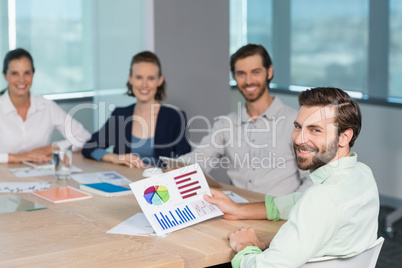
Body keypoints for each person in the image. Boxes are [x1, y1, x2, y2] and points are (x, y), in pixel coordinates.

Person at [204, 87, 380, 267]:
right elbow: (300, 202)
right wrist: (238, 209)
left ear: (344, 137)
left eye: (315, 130)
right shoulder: (362, 174)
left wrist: (245, 245)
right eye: (298, 127)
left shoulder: (321, 199)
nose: (298, 139)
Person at [180, 44, 308, 196]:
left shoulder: (295, 123)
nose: (248, 81)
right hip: (237, 212)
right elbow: (198, 159)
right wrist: (165, 167)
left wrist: (287, 210)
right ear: (234, 76)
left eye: (256, 72)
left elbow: (312, 179)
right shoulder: (226, 124)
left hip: (281, 215)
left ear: (269, 72)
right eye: (241, 74)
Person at [82, 51, 191, 167]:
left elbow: (185, 160)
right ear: (130, 79)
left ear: (159, 80)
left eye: (150, 78)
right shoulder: (120, 115)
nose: (144, 85)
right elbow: (89, 147)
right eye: (139, 77)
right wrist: (115, 158)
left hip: (160, 183)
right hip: (125, 182)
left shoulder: (175, 117)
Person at [0, 48, 91, 164]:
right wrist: (18, 157)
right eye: (15, 73)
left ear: (33, 74)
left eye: (26, 73)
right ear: (5, 76)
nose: (21, 80)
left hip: (40, 175)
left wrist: (49, 148)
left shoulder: (47, 107)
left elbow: (84, 137)